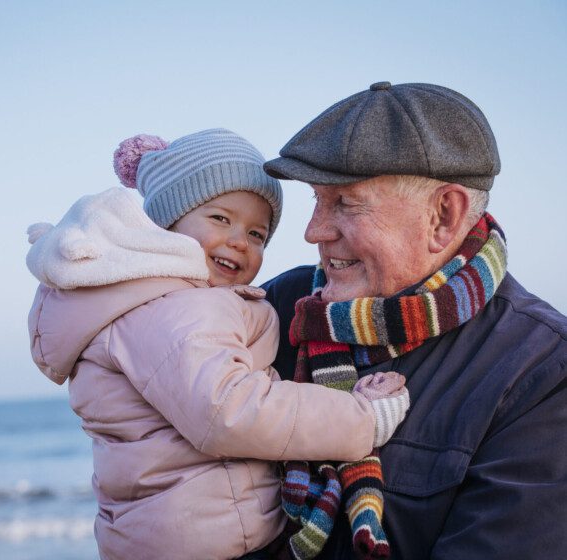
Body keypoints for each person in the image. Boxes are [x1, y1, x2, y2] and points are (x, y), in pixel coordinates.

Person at [25, 128, 410, 559]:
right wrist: (361, 419)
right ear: (166, 223)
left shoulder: (143, 298)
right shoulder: (174, 308)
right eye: (220, 219)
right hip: (202, 541)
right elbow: (229, 410)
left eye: (257, 234)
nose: (238, 241)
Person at [262, 81, 567, 559]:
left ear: (444, 216)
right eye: (316, 200)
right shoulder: (281, 305)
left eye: (345, 203)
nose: (312, 231)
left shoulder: (542, 372)